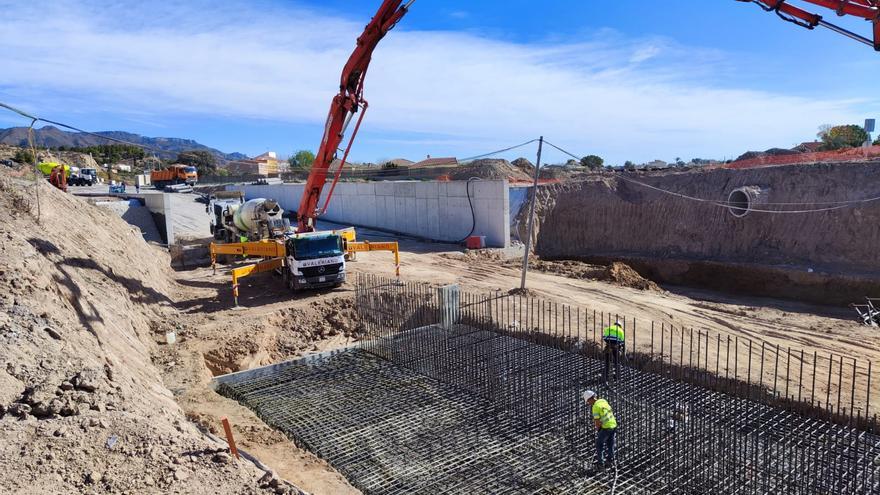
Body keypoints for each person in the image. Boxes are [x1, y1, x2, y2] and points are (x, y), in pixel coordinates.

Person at [583, 390, 618, 471]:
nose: (588, 403)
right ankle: (610, 460)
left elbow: (597, 422)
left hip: (606, 428)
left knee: (599, 445)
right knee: (610, 444)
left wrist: (598, 430)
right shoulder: (603, 400)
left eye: (588, 401)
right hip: (613, 425)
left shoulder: (595, 407)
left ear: (590, 399)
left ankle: (600, 464)